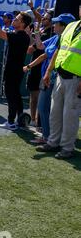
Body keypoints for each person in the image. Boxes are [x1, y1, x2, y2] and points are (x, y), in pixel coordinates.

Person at [23, 13, 76, 144]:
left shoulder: (64, 40)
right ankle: (51, 136)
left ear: (64, 26)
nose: (54, 25)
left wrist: (30, 66)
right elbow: (41, 47)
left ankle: (48, 137)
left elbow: (45, 55)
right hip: (49, 78)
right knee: (48, 109)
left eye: (57, 23)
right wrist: (36, 35)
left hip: (53, 79)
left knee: (44, 107)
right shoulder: (56, 38)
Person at [36, 9, 81, 159]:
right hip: (60, 77)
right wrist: (48, 71)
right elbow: (58, 50)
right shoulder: (71, 26)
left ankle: (67, 147)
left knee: (70, 116)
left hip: (76, 79)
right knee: (55, 112)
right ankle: (53, 142)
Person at [0, 7, 32, 130]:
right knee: (16, 94)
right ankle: (20, 119)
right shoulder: (23, 36)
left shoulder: (19, 36)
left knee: (11, 95)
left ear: (22, 24)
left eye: (16, 19)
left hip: (13, 71)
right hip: (16, 70)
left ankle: (11, 122)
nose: (14, 20)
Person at [26, 11, 54, 126]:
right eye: (43, 17)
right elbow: (34, 47)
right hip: (35, 64)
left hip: (42, 67)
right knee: (33, 93)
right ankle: (34, 120)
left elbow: (36, 48)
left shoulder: (51, 34)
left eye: (46, 18)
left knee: (38, 96)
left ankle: (38, 122)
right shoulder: (41, 30)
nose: (43, 19)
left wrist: (32, 36)